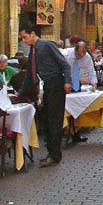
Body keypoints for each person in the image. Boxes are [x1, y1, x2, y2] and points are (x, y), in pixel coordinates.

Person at [19, 24, 72, 168]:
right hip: (48, 86)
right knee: (47, 119)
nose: (23, 41)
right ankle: (51, 152)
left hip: (56, 83)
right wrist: (19, 93)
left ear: (33, 34)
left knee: (54, 119)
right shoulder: (33, 51)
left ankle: (55, 155)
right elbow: (30, 75)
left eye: (25, 37)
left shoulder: (47, 46)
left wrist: (67, 82)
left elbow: (65, 65)